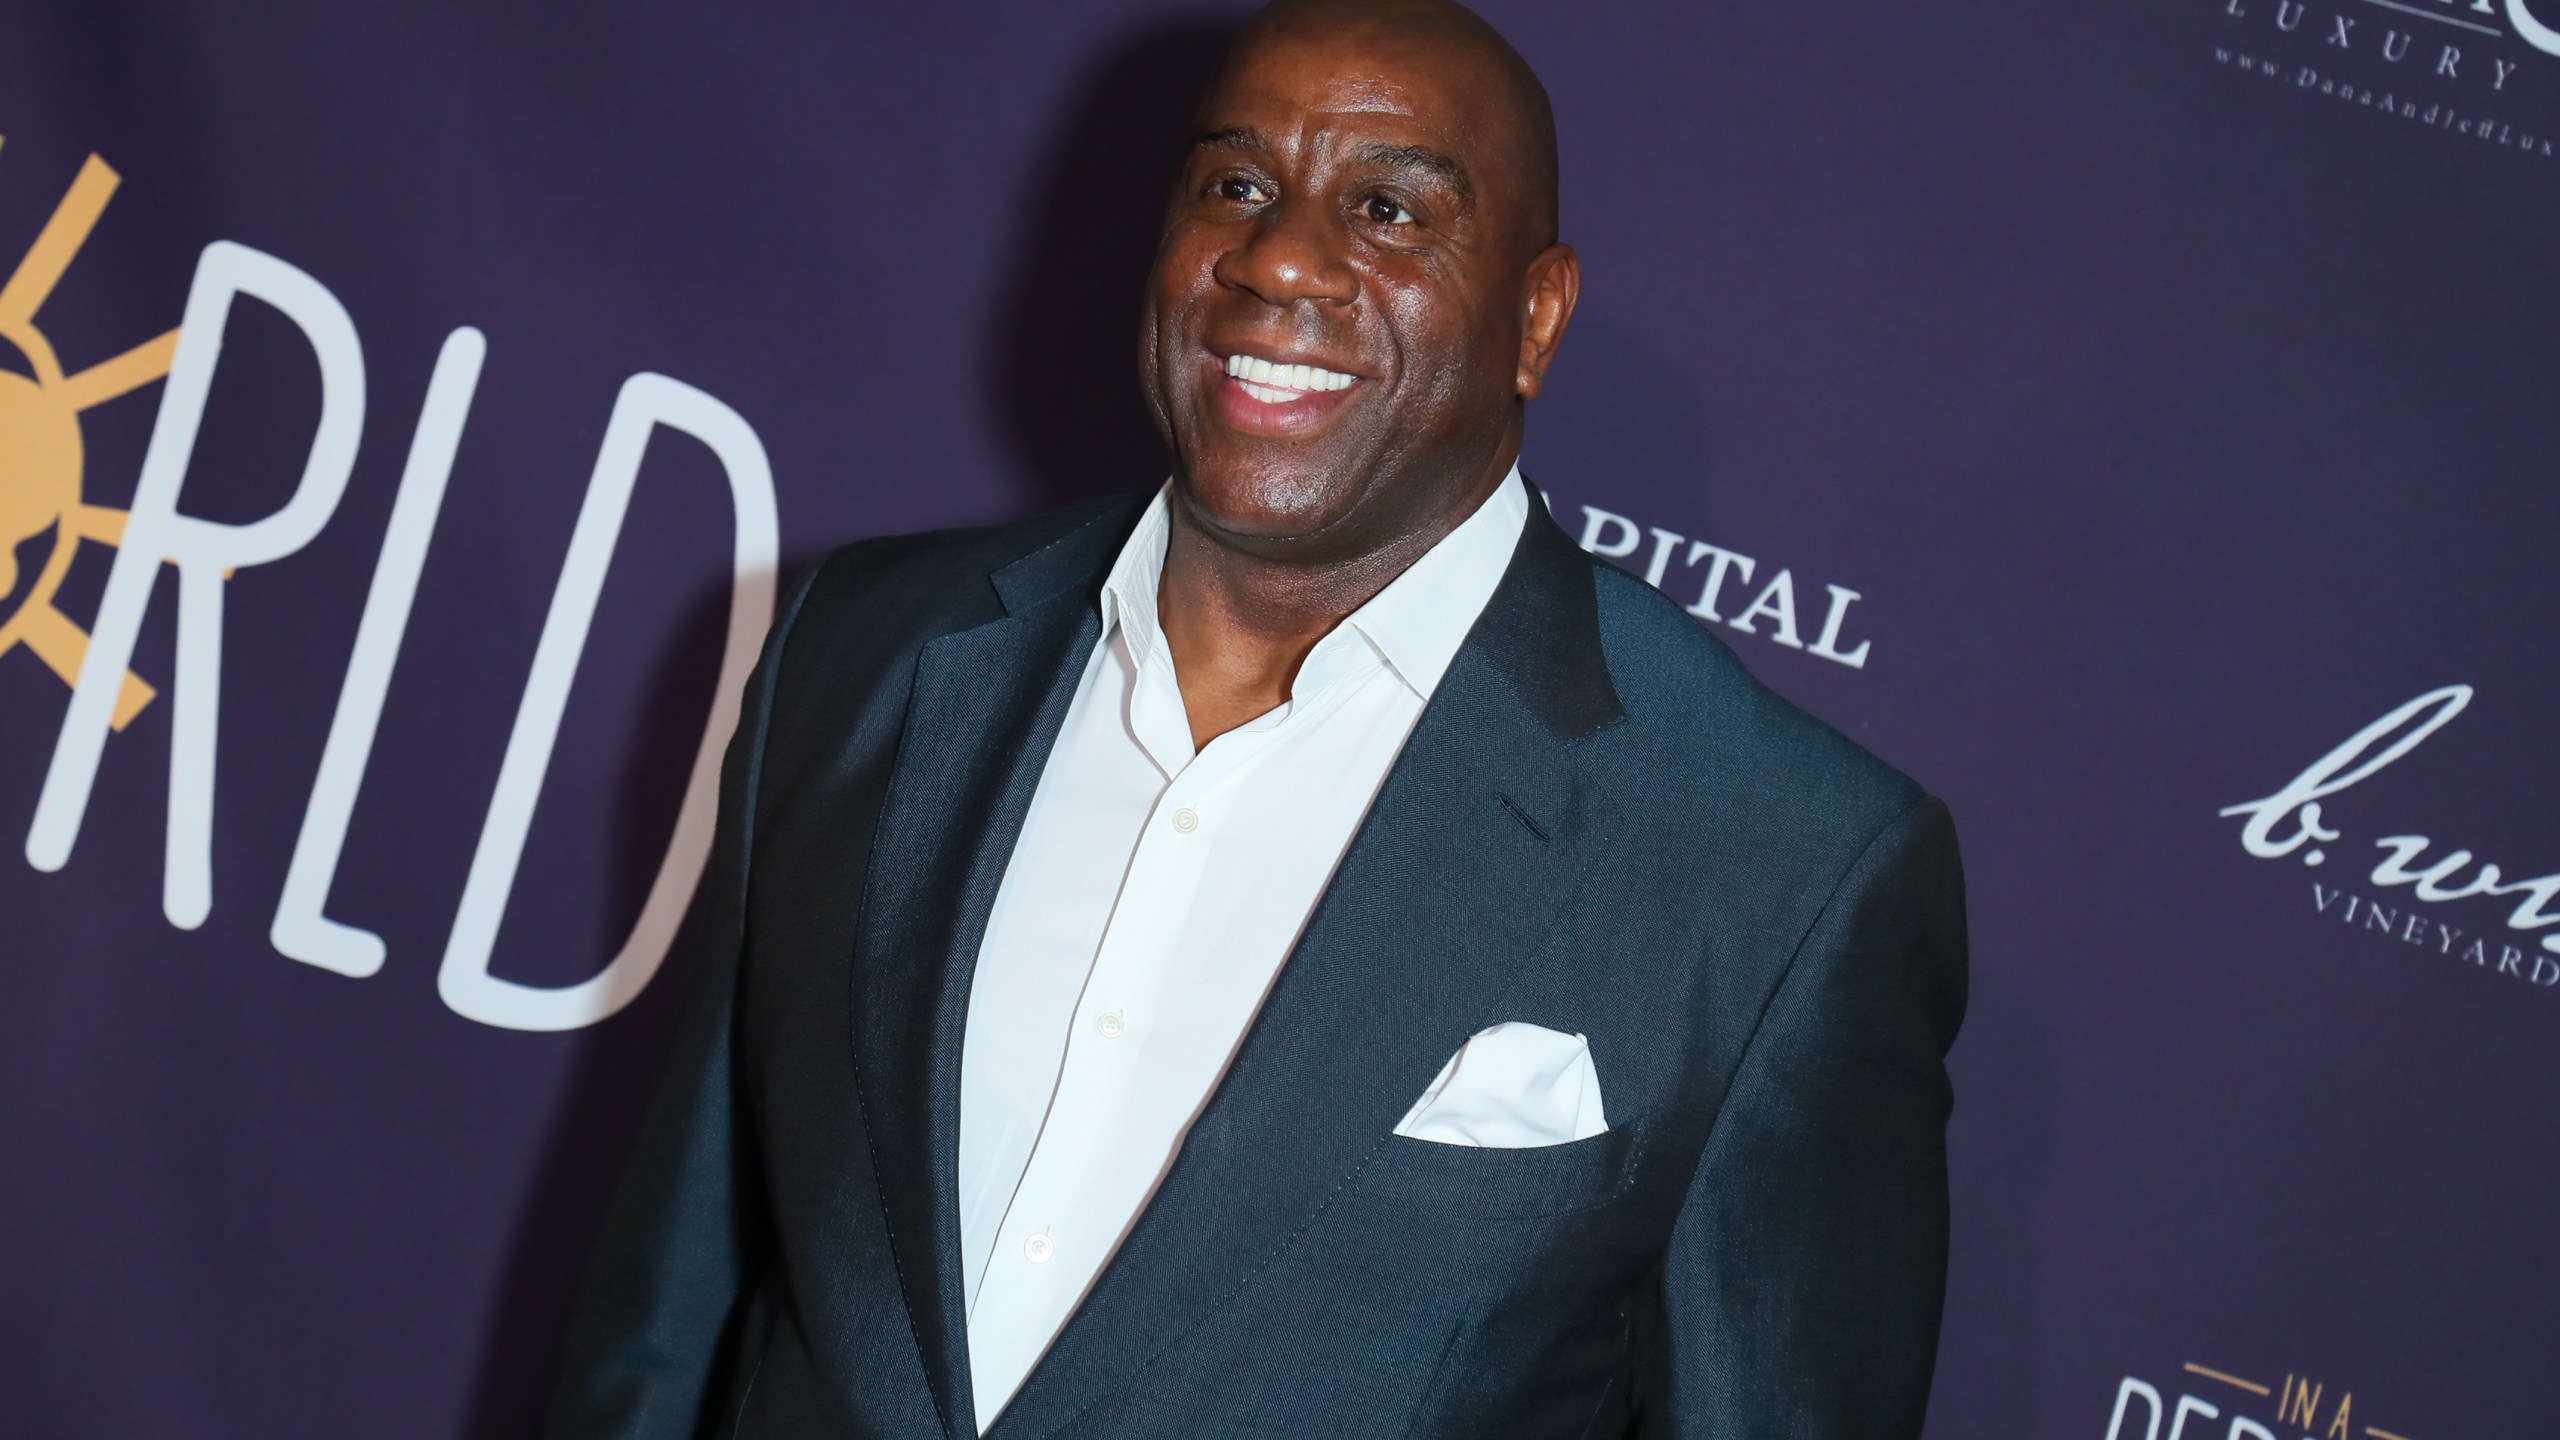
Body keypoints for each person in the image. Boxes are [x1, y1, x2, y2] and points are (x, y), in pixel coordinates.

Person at [547, 0, 1967, 1435]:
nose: (1281, 257)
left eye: (1391, 209)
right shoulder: (867, 654)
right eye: (1235, 185)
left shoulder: (1776, 868)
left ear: (1536, 315)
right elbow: (672, 1313)